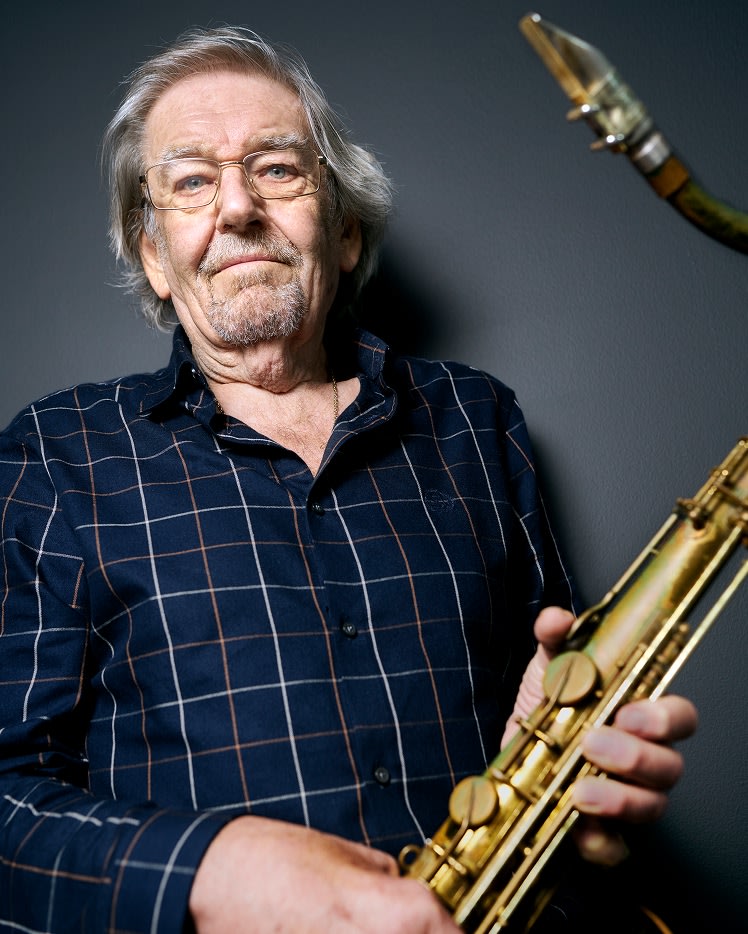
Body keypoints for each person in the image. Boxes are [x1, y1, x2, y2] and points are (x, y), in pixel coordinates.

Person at [0, 26, 696, 933]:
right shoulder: (56, 454)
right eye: (192, 182)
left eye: (279, 169)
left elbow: (551, 710)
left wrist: (573, 783)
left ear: (345, 231)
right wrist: (208, 870)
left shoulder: (476, 420)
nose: (240, 207)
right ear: (154, 260)